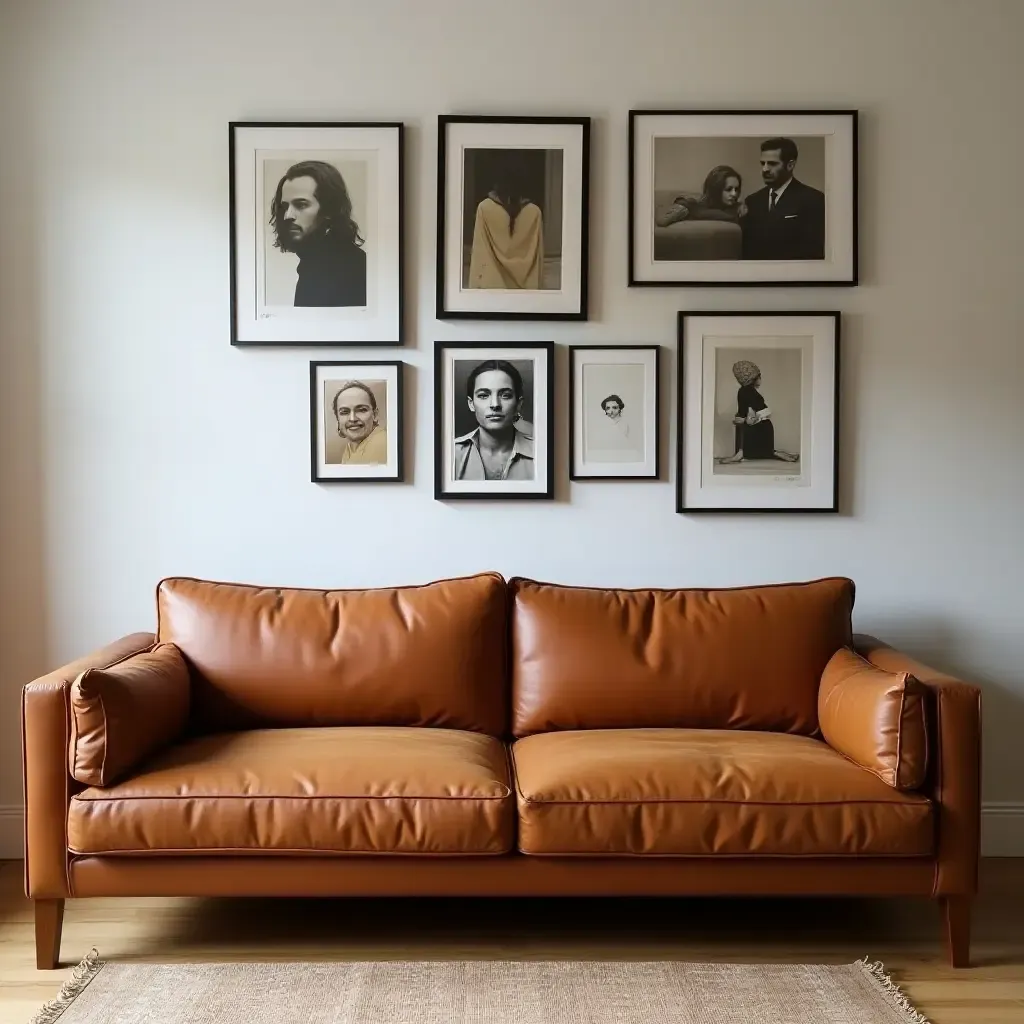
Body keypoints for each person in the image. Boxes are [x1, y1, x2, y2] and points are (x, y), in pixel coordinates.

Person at [270, 160, 367, 306]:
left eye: (301, 205)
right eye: (284, 207)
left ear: (329, 209)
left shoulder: (351, 270)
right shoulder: (313, 264)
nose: (287, 215)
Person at [740, 138, 825, 260]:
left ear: (790, 165)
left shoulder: (813, 200)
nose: (765, 169)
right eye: (762, 163)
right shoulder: (753, 201)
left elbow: (814, 251)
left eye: (772, 164)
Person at [453, 360, 535, 480]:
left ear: (518, 404)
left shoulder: (541, 453)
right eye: (483, 395)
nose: (495, 404)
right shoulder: (451, 454)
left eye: (505, 395)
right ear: (471, 404)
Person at [466, 165, 544, 290]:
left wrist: (474, 288)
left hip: (492, 288)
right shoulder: (534, 212)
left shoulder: (484, 208)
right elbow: (538, 257)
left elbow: (479, 253)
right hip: (527, 293)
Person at [717, 360, 799, 465]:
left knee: (743, 423)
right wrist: (746, 418)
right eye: (759, 376)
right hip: (763, 427)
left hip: (760, 427)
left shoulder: (746, 391)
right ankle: (775, 453)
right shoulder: (747, 391)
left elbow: (745, 411)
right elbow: (750, 411)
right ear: (754, 378)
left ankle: (741, 453)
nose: (761, 379)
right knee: (744, 424)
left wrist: (745, 419)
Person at [655, 165, 746, 227]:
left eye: (736, 189)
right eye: (728, 189)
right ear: (716, 189)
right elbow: (662, 221)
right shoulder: (691, 204)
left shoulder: (738, 209)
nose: (734, 194)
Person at [332, 381, 387, 465]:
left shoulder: (383, 445)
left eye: (361, 410)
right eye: (344, 412)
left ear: (375, 415)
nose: (352, 419)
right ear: (338, 419)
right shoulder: (351, 448)